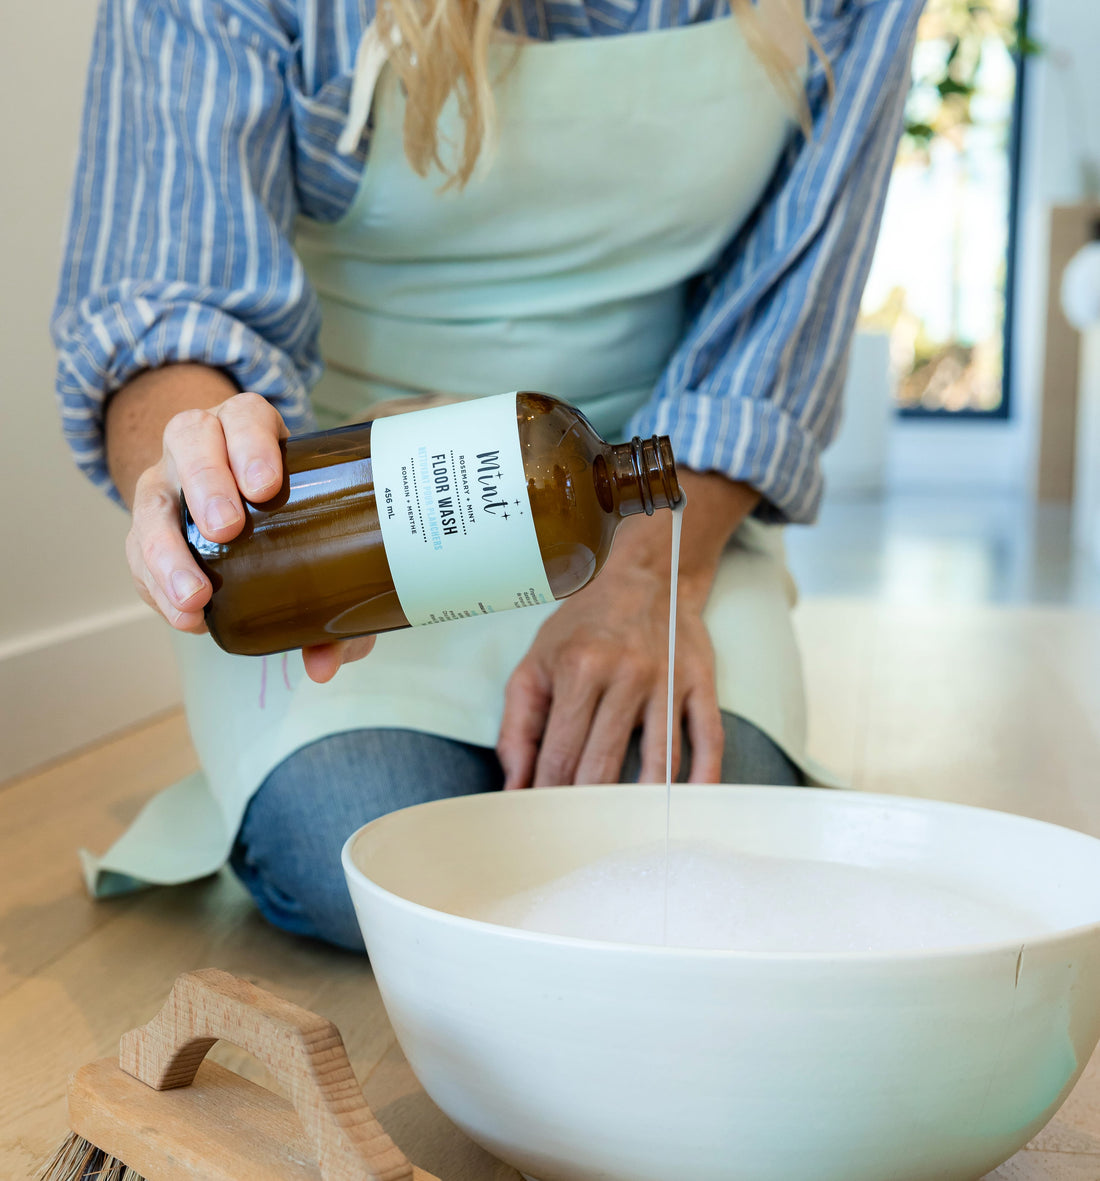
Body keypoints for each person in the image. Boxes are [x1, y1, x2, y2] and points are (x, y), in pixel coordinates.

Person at [53, 0, 924, 949]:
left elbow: (781, 324)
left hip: (671, 488)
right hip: (351, 497)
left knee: (696, 838)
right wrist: (205, 459)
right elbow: (167, 293)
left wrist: (644, 579)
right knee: (365, 848)